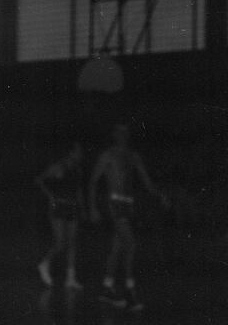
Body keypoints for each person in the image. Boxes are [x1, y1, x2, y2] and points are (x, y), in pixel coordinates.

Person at [88, 121, 168, 312]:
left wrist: (161, 195)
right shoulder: (107, 155)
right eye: (119, 131)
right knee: (130, 244)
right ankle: (130, 292)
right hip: (113, 205)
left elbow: (147, 182)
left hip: (127, 206)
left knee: (117, 249)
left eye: (125, 131)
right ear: (114, 134)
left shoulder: (133, 156)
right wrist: (92, 208)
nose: (122, 134)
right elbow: (92, 181)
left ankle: (107, 288)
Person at [35, 141, 84, 290]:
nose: (80, 154)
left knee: (72, 242)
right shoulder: (59, 166)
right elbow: (39, 180)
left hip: (73, 206)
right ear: (71, 152)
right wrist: (51, 196)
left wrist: (83, 208)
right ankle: (44, 264)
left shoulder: (77, 169)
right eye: (78, 151)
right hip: (59, 206)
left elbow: (78, 189)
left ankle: (70, 278)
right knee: (60, 243)